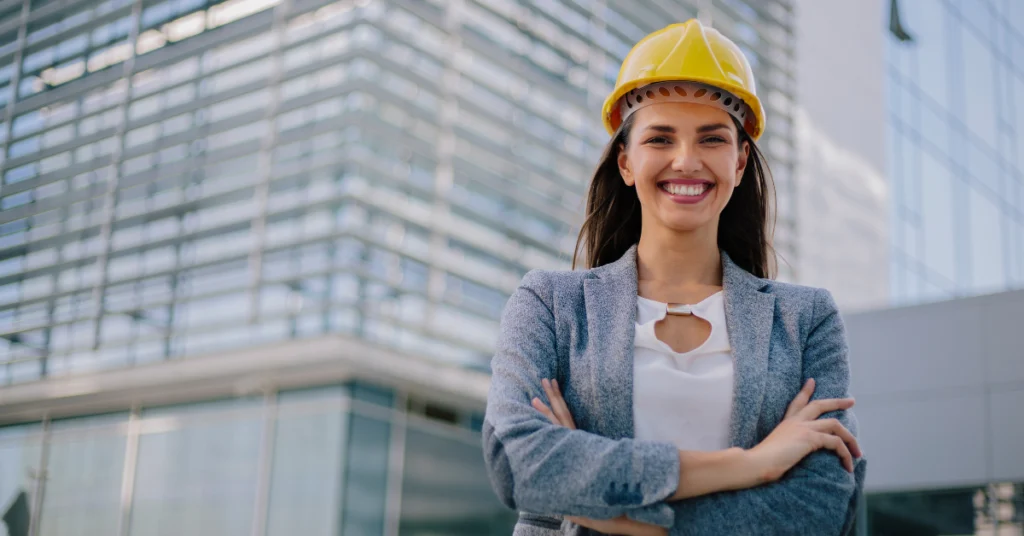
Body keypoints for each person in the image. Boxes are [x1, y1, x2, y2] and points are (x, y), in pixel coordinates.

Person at [482, 19, 866, 536]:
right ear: (626, 161)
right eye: (660, 138)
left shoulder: (806, 320)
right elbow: (518, 461)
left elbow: (818, 508)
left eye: (712, 139)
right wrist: (751, 465)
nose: (686, 161)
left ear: (739, 161)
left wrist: (597, 510)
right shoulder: (549, 303)